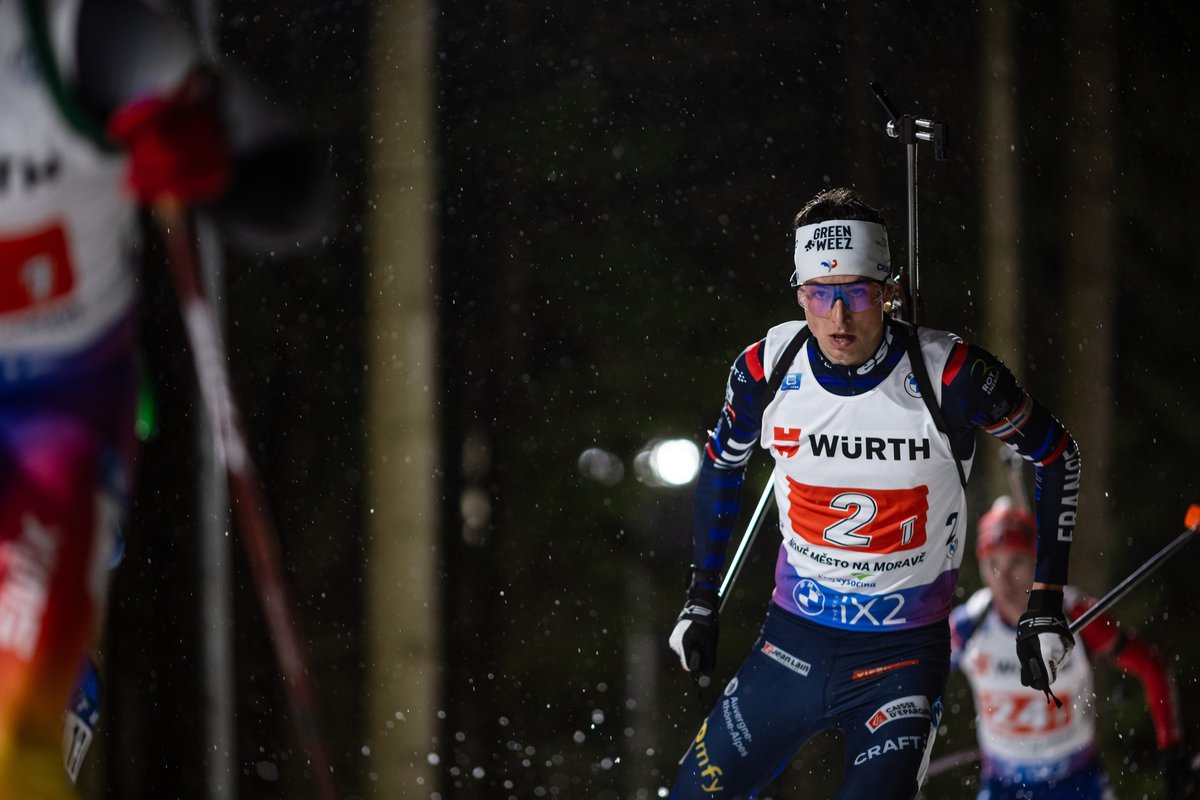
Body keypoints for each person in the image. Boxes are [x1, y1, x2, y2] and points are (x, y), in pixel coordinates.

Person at [0, 0, 327, 796]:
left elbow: (296, 195)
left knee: (16, 729)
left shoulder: (87, 38)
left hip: (51, 407)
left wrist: (211, 165)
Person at [667, 187, 1082, 799]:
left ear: (887, 291)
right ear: (800, 294)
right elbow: (722, 467)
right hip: (792, 643)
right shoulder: (765, 369)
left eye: (857, 292)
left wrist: (1044, 601)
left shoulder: (952, 374)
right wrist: (701, 597)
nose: (839, 318)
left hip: (902, 658)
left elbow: (1057, 454)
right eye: (819, 294)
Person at [949, 496, 1194, 800]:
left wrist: (1170, 746)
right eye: (992, 564)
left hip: (1078, 784)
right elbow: (914, 679)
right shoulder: (967, 627)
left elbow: (1151, 666)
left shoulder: (1077, 615)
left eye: (1017, 562)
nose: (1004, 580)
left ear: (1038, 564)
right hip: (1004, 788)